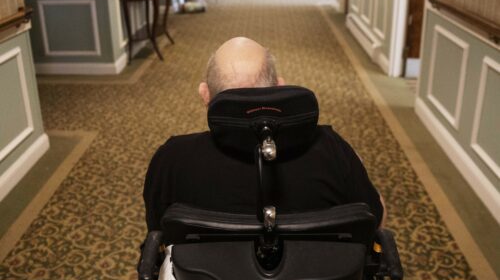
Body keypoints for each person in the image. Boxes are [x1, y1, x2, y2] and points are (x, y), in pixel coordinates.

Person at [143, 37, 386, 232]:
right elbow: (374, 220)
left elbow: (158, 230)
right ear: (279, 87)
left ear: (205, 95)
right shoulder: (332, 149)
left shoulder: (172, 158)